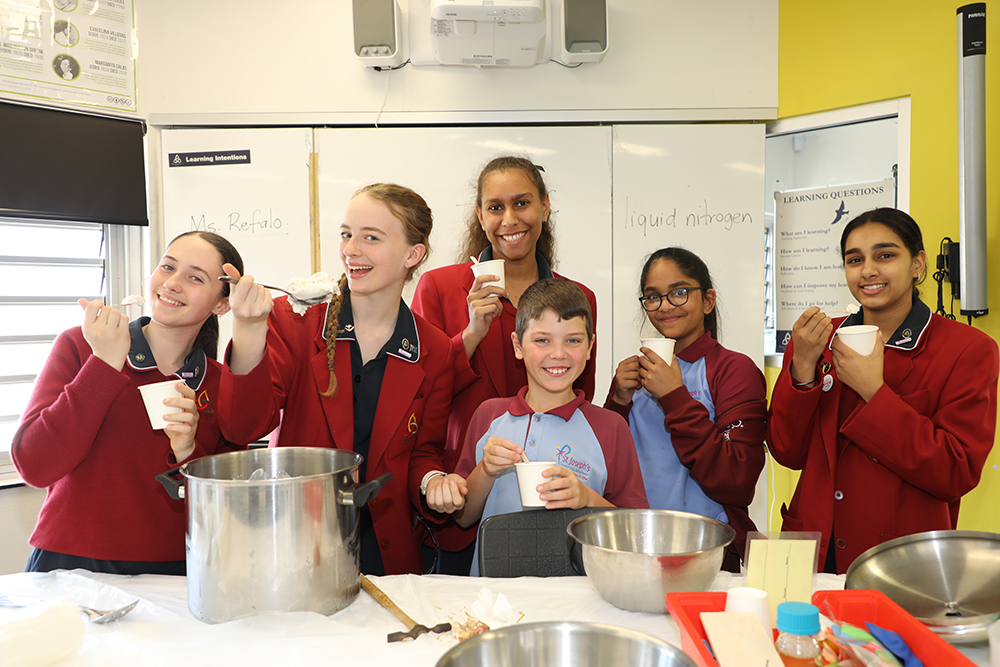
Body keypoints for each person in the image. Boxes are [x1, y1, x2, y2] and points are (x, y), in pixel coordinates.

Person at [223, 183, 467, 576]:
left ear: (413, 254)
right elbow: (242, 426)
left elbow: (422, 453)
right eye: (346, 234)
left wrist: (434, 481)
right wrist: (248, 331)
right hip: (296, 543)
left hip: (385, 554)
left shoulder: (433, 349)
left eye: (371, 237)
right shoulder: (297, 319)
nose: (351, 249)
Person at [12, 231, 262, 575]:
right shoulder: (84, 345)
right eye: (167, 267)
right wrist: (103, 365)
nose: (172, 283)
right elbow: (35, 465)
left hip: (176, 571)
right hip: (69, 563)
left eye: (194, 277)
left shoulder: (222, 385)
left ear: (222, 303)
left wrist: (188, 452)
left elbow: (229, 512)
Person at [767, 207, 999, 574]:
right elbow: (786, 451)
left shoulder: (967, 349)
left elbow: (955, 472)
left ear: (918, 264)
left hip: (902, 557)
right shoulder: (817, 339)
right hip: (813, 546)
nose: (868, 270)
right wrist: (802, 369)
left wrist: (874, 391)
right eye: (854, 259)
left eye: (885, 255)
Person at [411, 155, 599, 572]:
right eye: (495, 207)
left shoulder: (576, 299)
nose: (509, 219)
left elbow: (579, 399)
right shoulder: (439, 288)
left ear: (545, 207)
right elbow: (420, 396)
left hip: (546, 502)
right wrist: (471, 335)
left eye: (522, 203)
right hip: (460, 498)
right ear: (480, 216)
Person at [453, 278, 648, 575]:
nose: (558, 354)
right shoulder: (488, 416)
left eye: (573, 340)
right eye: (542, 340)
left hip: (579, 596)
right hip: (492, 595)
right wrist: (486, 470)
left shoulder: (610, 427)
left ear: (590, 347)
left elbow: (635, 532)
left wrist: (587, 500)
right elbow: (463, 517)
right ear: (518, 346)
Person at [603, 248, 766, 571]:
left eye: (679, 293)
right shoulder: (637, 374)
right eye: (653, 297)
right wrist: (616, 403)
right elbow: (608, 466)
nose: (664, 306)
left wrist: (674, 397)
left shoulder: (733, 369)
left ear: (707, 300)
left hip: (709, 552)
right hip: (638, 545)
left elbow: (737, 479)